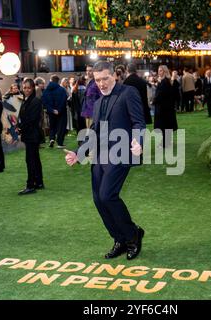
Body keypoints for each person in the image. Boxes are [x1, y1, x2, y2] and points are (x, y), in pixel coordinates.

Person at [65, 61, 146, 260]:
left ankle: (133, 235)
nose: (101, 84)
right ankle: (119, 239)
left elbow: (138, 121)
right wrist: (79, 153)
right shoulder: (99, 101)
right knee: (98, 199)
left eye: (105, 79)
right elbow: (94, 131)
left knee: (107, 195)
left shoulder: (128, 93)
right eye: (97, 80)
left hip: (121, 153)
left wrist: (139, 141)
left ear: (114, 76)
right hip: (100, 156)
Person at [17, 79, 44, 195]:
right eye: (25, 88)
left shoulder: (35, 101)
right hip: (29, 133)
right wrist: (19, 126)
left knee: (31, 160)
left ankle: (31, 185)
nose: (26, 90)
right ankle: (38, 182)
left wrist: (20, 128)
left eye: (28, 88)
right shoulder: (26, 100)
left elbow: (31, 120)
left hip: (32, 134)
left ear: (33, 88)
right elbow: (24, 118)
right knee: (34, 159)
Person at [153, 65, 178, 148]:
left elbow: (160, 94)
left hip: (163, 108)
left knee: (163, 126)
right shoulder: (166, 81)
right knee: (166, 126)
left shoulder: (164, 82)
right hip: (166, 108)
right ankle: (166, 143)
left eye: (160, 70)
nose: (158, 72)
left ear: (164, 71)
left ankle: (164, 144)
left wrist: (153, 101)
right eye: (158, 70)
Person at [41, 75, 68, 148]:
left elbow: (44, 101)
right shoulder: (62, 90)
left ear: (50, 80)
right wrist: (58, 110)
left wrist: (51, 110)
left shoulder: (46, 90)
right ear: (58, 81)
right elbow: (64, 100)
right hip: (61, 112)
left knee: (52, 126)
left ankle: (52, 138)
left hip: (51, 112)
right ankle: (59, 143)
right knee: (61, 127)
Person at [81, 64, 101, 130]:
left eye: (90, 71)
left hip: (94, 110)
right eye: (87, 70)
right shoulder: (89, 82)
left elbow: (101, 96)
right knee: (88, 131)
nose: (88, 72)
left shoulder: (98, 81)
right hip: (87, 111)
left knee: (92, 132)